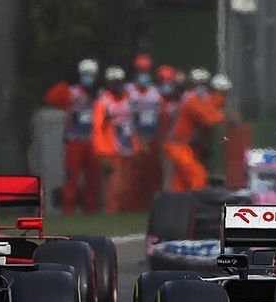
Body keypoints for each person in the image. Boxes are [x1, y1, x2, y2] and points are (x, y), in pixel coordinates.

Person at [44, 59, 102, 214]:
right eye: (85, 74)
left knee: (93, 179)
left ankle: (90, 210)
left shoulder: (100, 94)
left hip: (93, 141)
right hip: (75, 140)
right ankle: (68, 210)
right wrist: (65, 84)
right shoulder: (72, 92)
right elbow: (51, 97)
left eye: (91, 75)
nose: (88, 77)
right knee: (71, 178)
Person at [162, 69, 226, 192]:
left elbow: (210, 107)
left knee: (180, 183)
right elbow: (210, 118)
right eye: (198, 84)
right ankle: (197, 206)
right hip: (178, 145)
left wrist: (220, 99)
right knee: (198, 176)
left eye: (203, 84)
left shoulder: (196, 99)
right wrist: (226, 115)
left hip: (183, 145)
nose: (201, 87)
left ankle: (179, 207)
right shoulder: (191, 100)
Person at [92, 66, 136, 213]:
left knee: (128, 186)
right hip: (112, 151)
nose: (117, 85)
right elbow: (98, 130)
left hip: (129, 149)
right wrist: (102, 154)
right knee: (114, 187)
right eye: (114, 82)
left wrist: (138, 147)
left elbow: (134, 124)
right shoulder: (103, 103)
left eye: (119, 81)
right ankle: (111, 213)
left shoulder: (130, 99)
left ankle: (126, 214)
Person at [125, 56, 165, 210]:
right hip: (134, 137)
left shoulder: (155, 92)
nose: (143, 73)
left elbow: (161, 117)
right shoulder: (129, 91)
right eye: (141, 70)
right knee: (135, 176)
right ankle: (133, 207)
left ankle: (153, 205)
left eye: (146, 70)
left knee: (153, 174)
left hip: (152, 137)